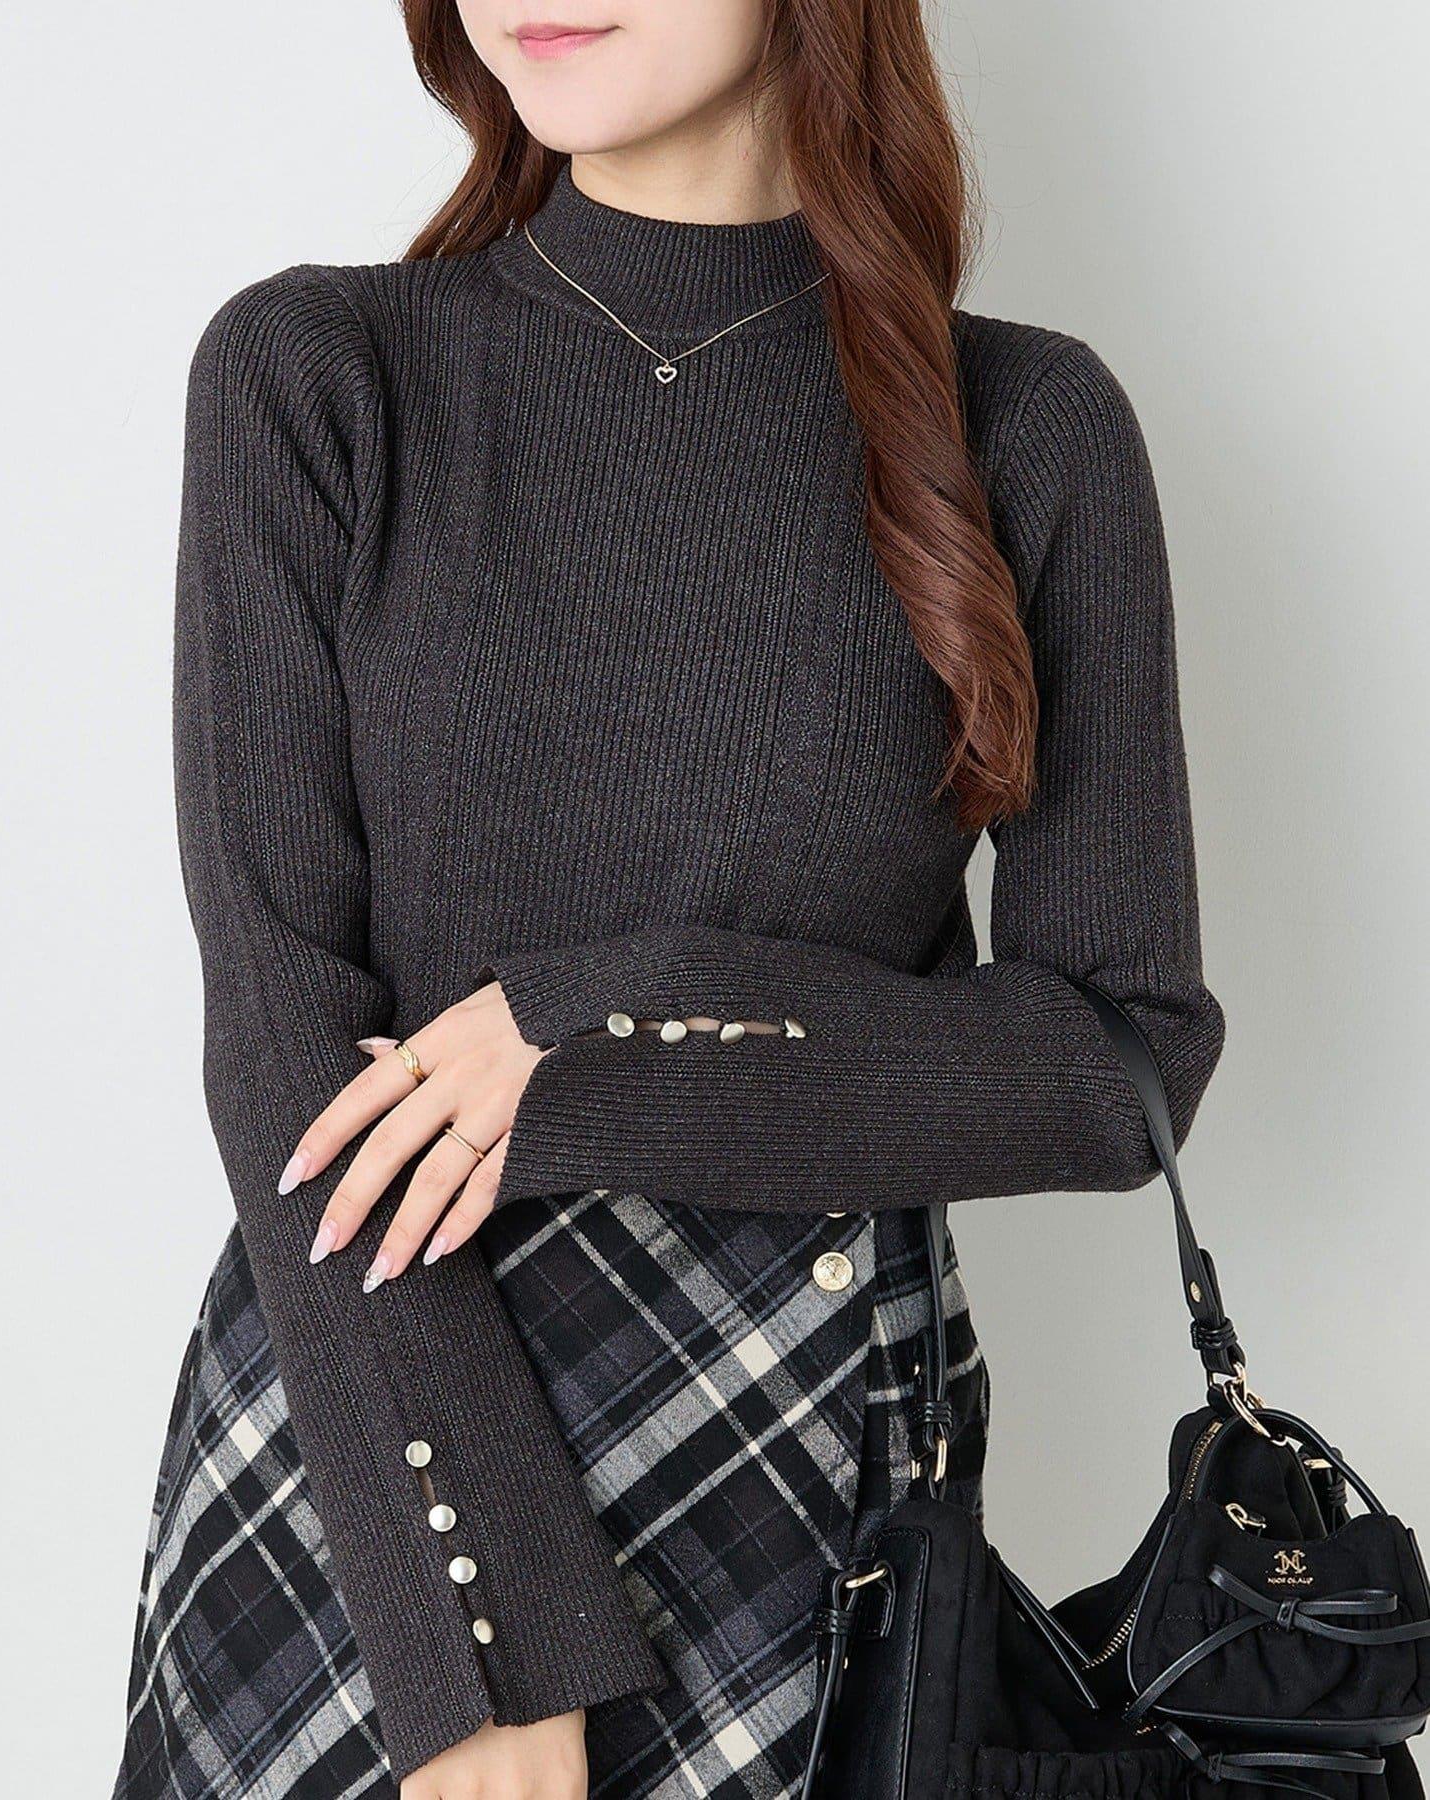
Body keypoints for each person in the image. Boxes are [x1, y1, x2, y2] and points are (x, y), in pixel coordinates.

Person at [113, 3, 1226, 1796]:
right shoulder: (324, 372)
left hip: (805, 1476)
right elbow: (280, 1052)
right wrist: (481, 1647)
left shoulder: (1027, 422)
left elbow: (1117, 1065)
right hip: (375, 1477)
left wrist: (601, 1027)